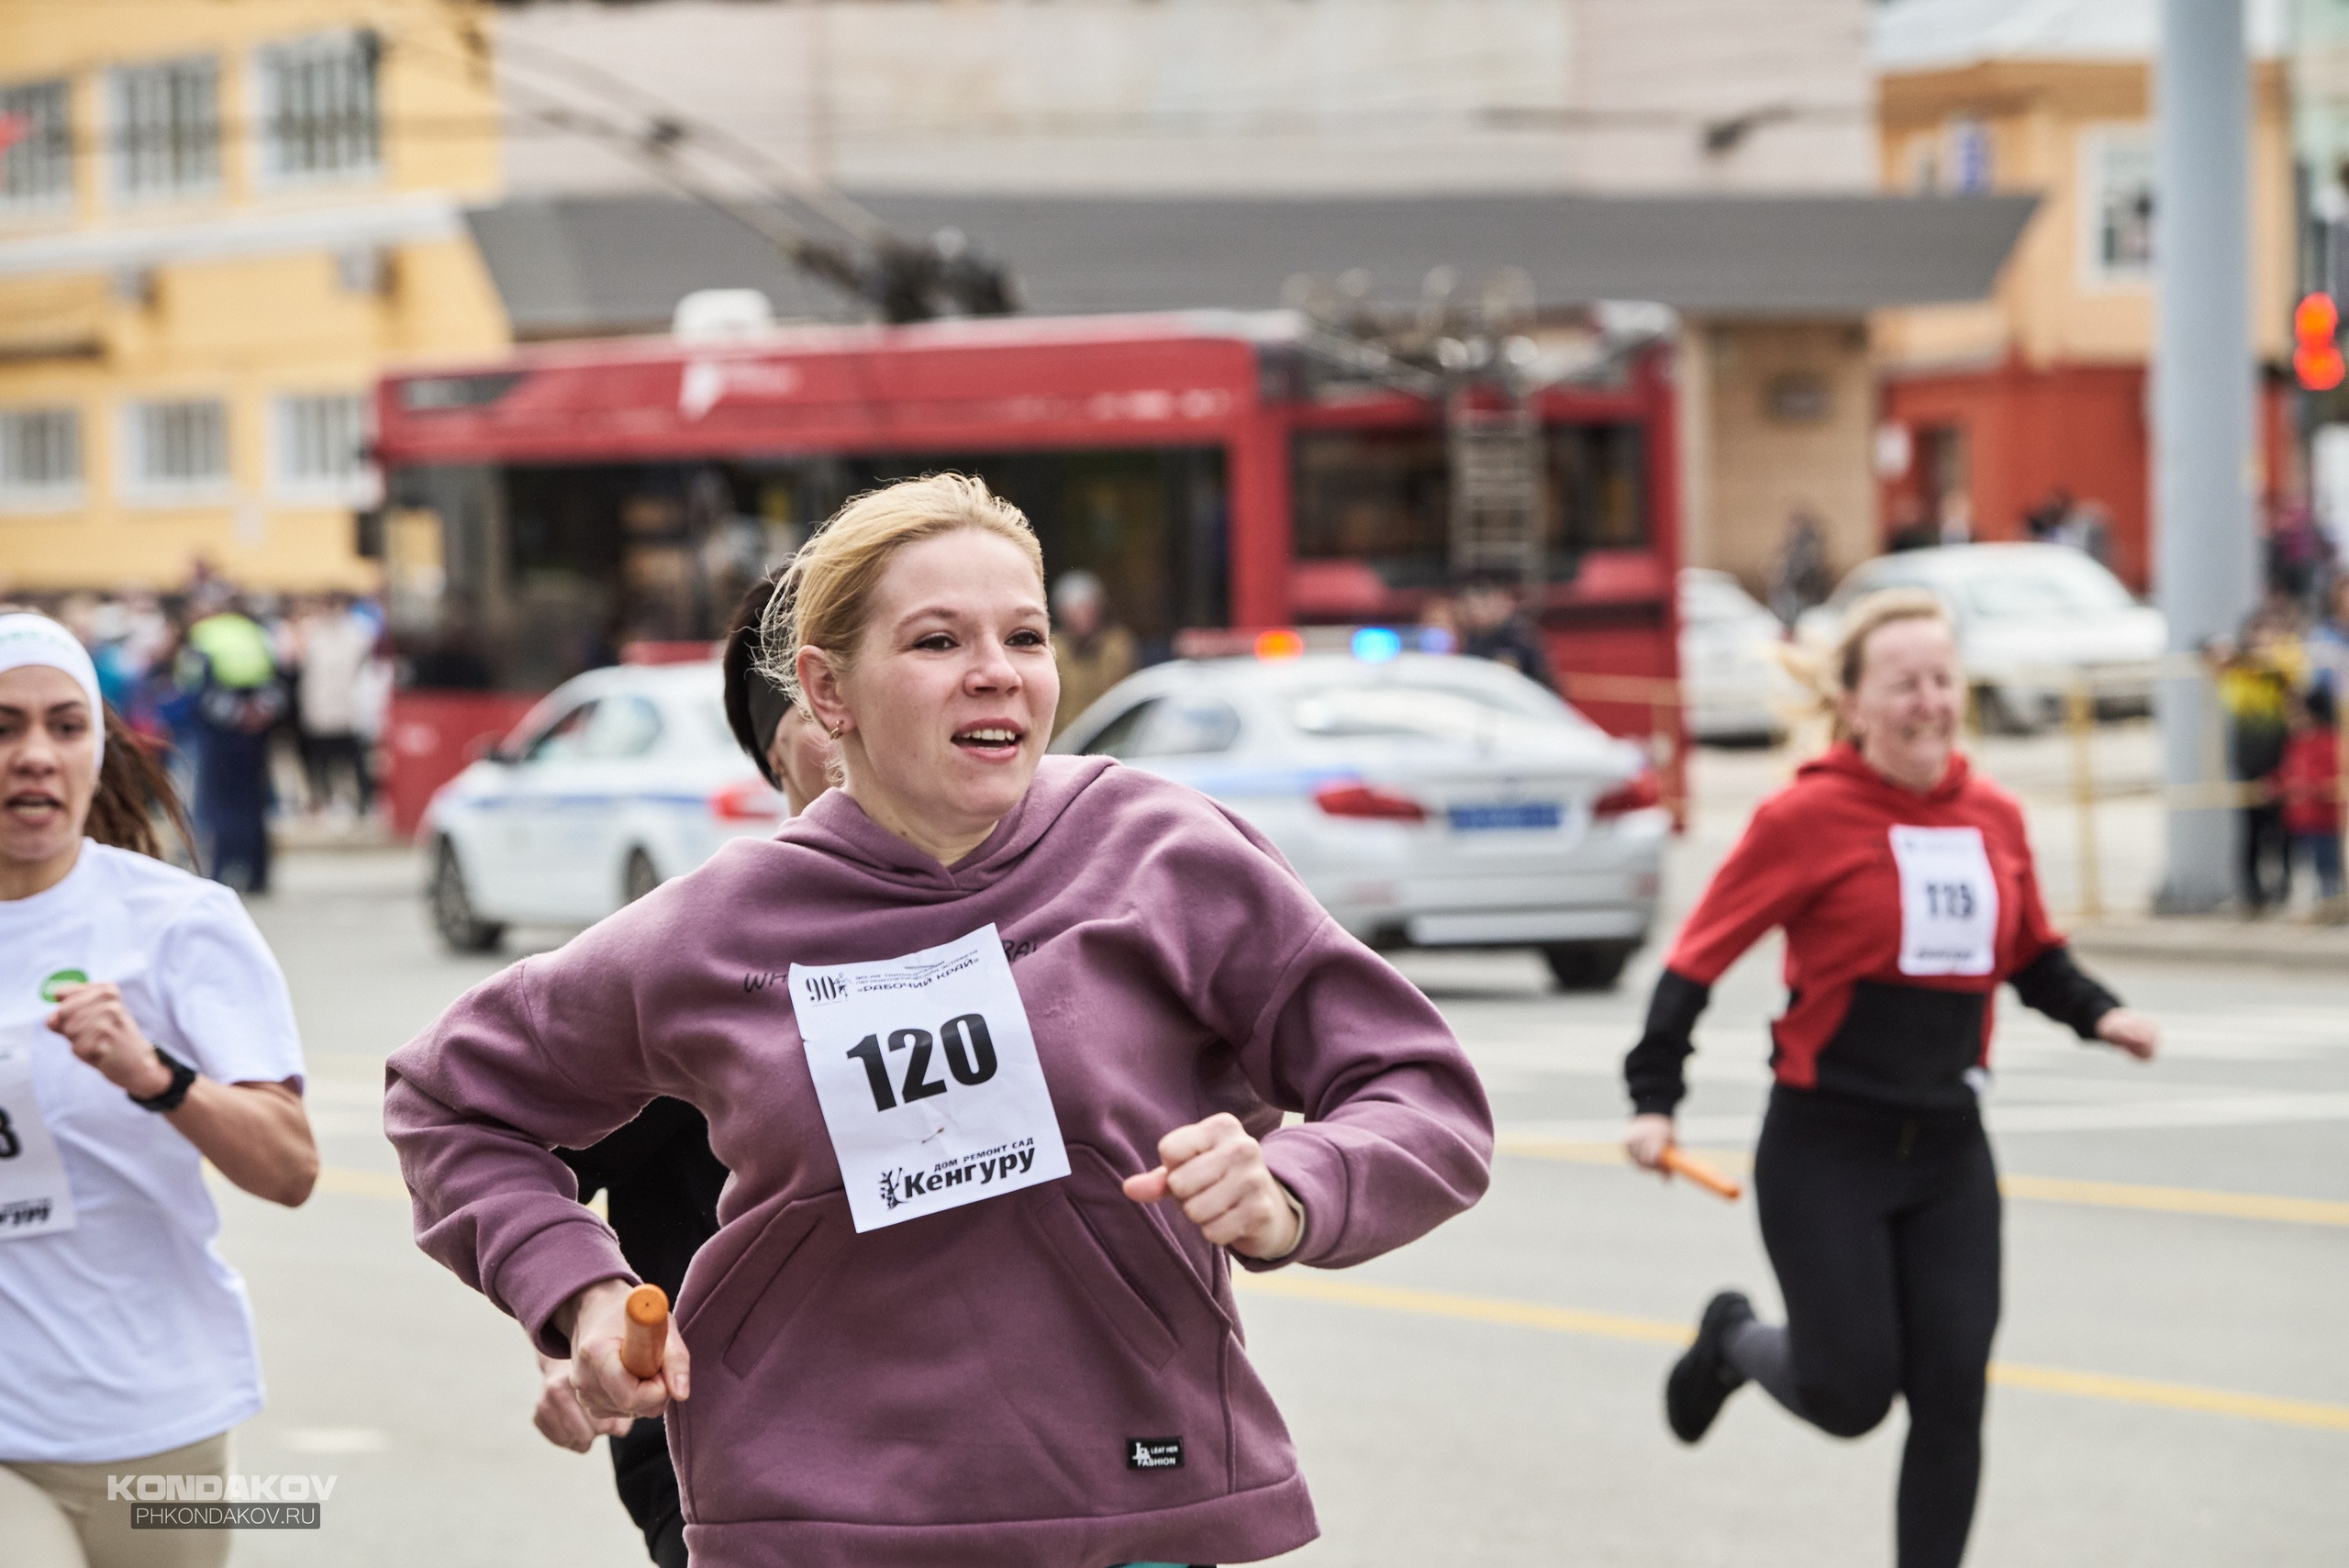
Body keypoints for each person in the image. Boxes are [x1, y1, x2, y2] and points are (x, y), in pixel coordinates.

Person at [388, 473, 1493, 1568]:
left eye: (1025, 636)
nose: (995, 672)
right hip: (812, 1525)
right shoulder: (717, 925)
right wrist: (578, 1293)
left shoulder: (1161, 852)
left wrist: (1290, 1189)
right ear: (827, 691)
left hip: (1132, 1507)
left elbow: (1419, 1090)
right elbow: (449, 1101)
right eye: (936, 641)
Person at [1620, 588, 2158, 1568]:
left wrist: (2099, 1012)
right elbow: (1696, 959)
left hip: (1950, 1149)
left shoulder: (1994, 815)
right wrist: (1654, 1098)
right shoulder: (1805, 817)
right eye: (1904, 683)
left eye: (1943, 679)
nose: (1929, 702)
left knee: (1954, 1395)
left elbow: (2029, 952)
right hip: (1827, 1148)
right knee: (1850, 1394)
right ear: (1853, 702)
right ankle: (1731, 1338)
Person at [524, 573, 839, 1568]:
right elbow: (503, 1142)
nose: (859, 723)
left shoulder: (1028, 920)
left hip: (1014, 1472)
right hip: (747, 1480)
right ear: (773, 747)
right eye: (822, 700)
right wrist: (576, 1310)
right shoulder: (702, 955)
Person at [0, 609, 317, 1568]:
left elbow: (290, 1166)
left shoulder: (180, 921)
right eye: (3, 727)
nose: (34, 754)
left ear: (97, 749)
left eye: (65, 725)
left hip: (157, 1421)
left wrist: (157, 1076)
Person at [177, 598, 284, 894]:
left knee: (221, 804)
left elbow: (192, 685)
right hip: (257, 733)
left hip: (221, 734)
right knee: (254, 803)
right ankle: (259, 874)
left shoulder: (203, 635)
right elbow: (277, 683)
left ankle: (224, 870)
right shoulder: (257, 633)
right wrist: (256, 714)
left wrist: (236, 714)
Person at [291, 594, 376, 823]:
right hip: (320, 706)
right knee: (321, 759)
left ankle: (362, 802)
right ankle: (325, 800)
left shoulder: (357, 631)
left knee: (353, 758)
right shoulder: (312, 631)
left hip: (347, 707)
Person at [2277, 685, 2345, 922]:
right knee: (2303, 865)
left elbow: (2335, 777)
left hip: (2324, 819)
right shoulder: (2295, 742)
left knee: (2328, 866)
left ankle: (2332, 907)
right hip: (2299, 818)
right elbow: (2287, 773)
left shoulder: (2330, 741)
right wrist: (2277, 786)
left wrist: (2310, 788)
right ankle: (2310, 907)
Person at [1049, 569, 1137, 736]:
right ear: (1061, 613)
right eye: (1074, 609)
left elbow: (1125, 695)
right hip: (1065, 740)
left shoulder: (1118, 646)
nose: (1082, 616)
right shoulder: (1053, 650)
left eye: (1087, 608)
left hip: (1109, 736)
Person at [1458, 576, 1554, 689]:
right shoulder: (1474, 638)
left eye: (1483, 605)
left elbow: (1505, 678)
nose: (1476, 612)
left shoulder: (1515, 635)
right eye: (1472, 607)